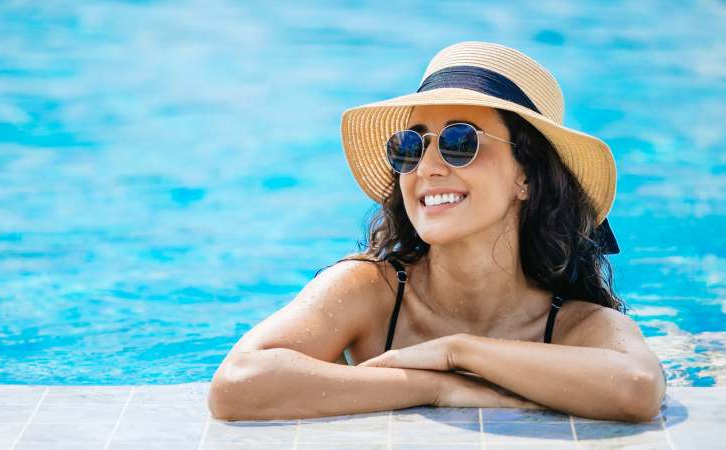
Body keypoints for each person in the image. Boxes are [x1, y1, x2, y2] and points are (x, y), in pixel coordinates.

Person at [207, 41, 666, 423]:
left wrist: (458, 351)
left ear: (525, 176)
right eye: (410, 145)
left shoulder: (574, 325)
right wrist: (434, 386)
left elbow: (637, 389)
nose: (427, 167)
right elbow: (238, 384)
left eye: (460, 142)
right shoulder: (372, 290)